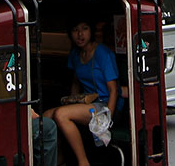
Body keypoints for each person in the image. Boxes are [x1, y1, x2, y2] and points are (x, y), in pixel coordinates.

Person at [44, 18, 120, 166]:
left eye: (84, 29)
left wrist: (107, 119)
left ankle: (83, 162)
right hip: (87, 103)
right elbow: (75, 82)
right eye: (75, 30)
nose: (80, 34)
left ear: (91, 31)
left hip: (105, 106)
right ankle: (58, 159)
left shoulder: (103, 54)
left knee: (61, 114)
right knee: (47, 117)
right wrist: (71, 101)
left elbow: (114, 90)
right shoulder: (75, 54)